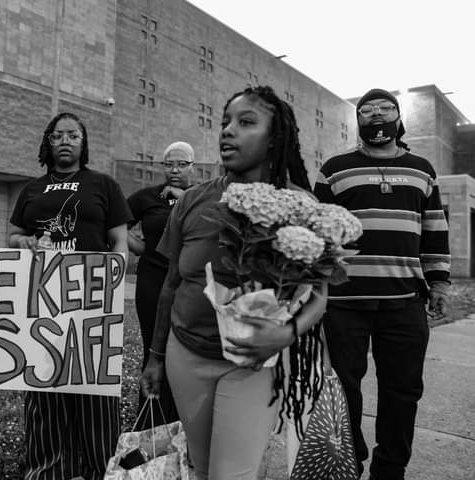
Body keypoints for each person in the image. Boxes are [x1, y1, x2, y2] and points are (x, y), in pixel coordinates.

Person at [140, 85, 327, 480]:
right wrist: (156, 355)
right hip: (185, 355)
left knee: (232, 475)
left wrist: (285, 334)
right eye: (226, 122)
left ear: (275, 137)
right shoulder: (193, 201)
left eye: (245, 122)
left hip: (254, 364)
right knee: (202, 467)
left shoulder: (299, 206)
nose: (228, 131)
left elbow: (319, 297)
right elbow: (172, 282)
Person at [314, 88, 450, 480]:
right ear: (358, 120)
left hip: (405, 301)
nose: (375, 115)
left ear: (398, 116)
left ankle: (390, 469)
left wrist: (439, 284)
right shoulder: (334, 168)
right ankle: (348, 461)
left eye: (384, 108)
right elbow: (319, 230)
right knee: (342, 389)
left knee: (403, 392)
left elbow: (434, 229)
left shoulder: (422, 169)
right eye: (366, 110)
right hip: (343, 302)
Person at [8, 112, 132, 480]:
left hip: (93, 298)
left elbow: (120, 242)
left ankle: (101, 469)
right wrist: (25, 241)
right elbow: (13, 235)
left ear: (83, 143)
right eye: (58, 135)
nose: (65, 141)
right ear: (47, 142)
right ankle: (48, 470)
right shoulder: (32, 189)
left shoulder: (103, 185)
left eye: (73, 135)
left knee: (94, 386)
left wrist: (113, 282)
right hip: (44, 298)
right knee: (45, 383)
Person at [127, 141, 195, 426]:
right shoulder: (146, 197)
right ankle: (150, 422)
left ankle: (182, 421)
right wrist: (138, 246)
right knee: (152, 349)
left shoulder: (201, 196)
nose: (175, 169)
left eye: (181, 164)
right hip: (152, 283)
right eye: (169, 164)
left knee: (184, 352)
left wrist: (184, 198)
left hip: (189, 285)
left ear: (193, 166)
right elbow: (115, 224)